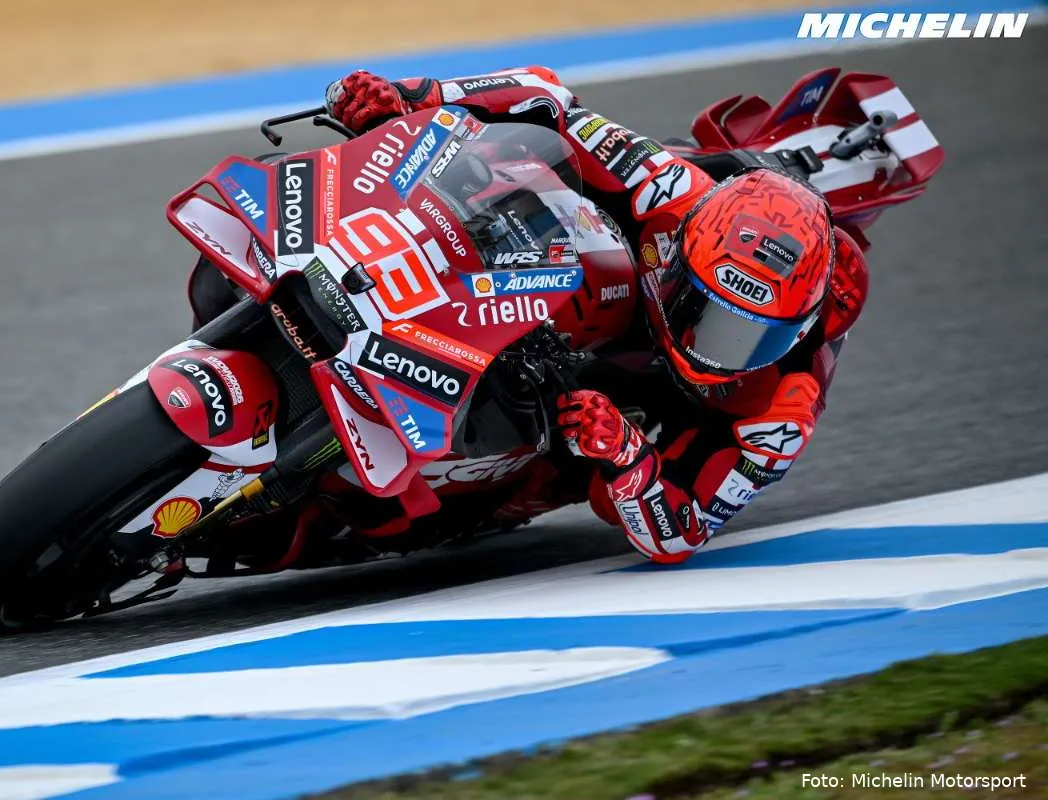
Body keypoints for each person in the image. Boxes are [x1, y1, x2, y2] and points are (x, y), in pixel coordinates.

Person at [324, 67, 869, 563]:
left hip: (595, 405)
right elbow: (546, 98)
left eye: (748, 337)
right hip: (554, 267)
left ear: (796, 330)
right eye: (701, 312)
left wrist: (626, 454)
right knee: (486, 166)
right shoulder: (668, 190)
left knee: (397, 524)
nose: (711, 346)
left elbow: (683, 529)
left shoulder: (783, 408)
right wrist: (415, 96)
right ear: (679, 258)